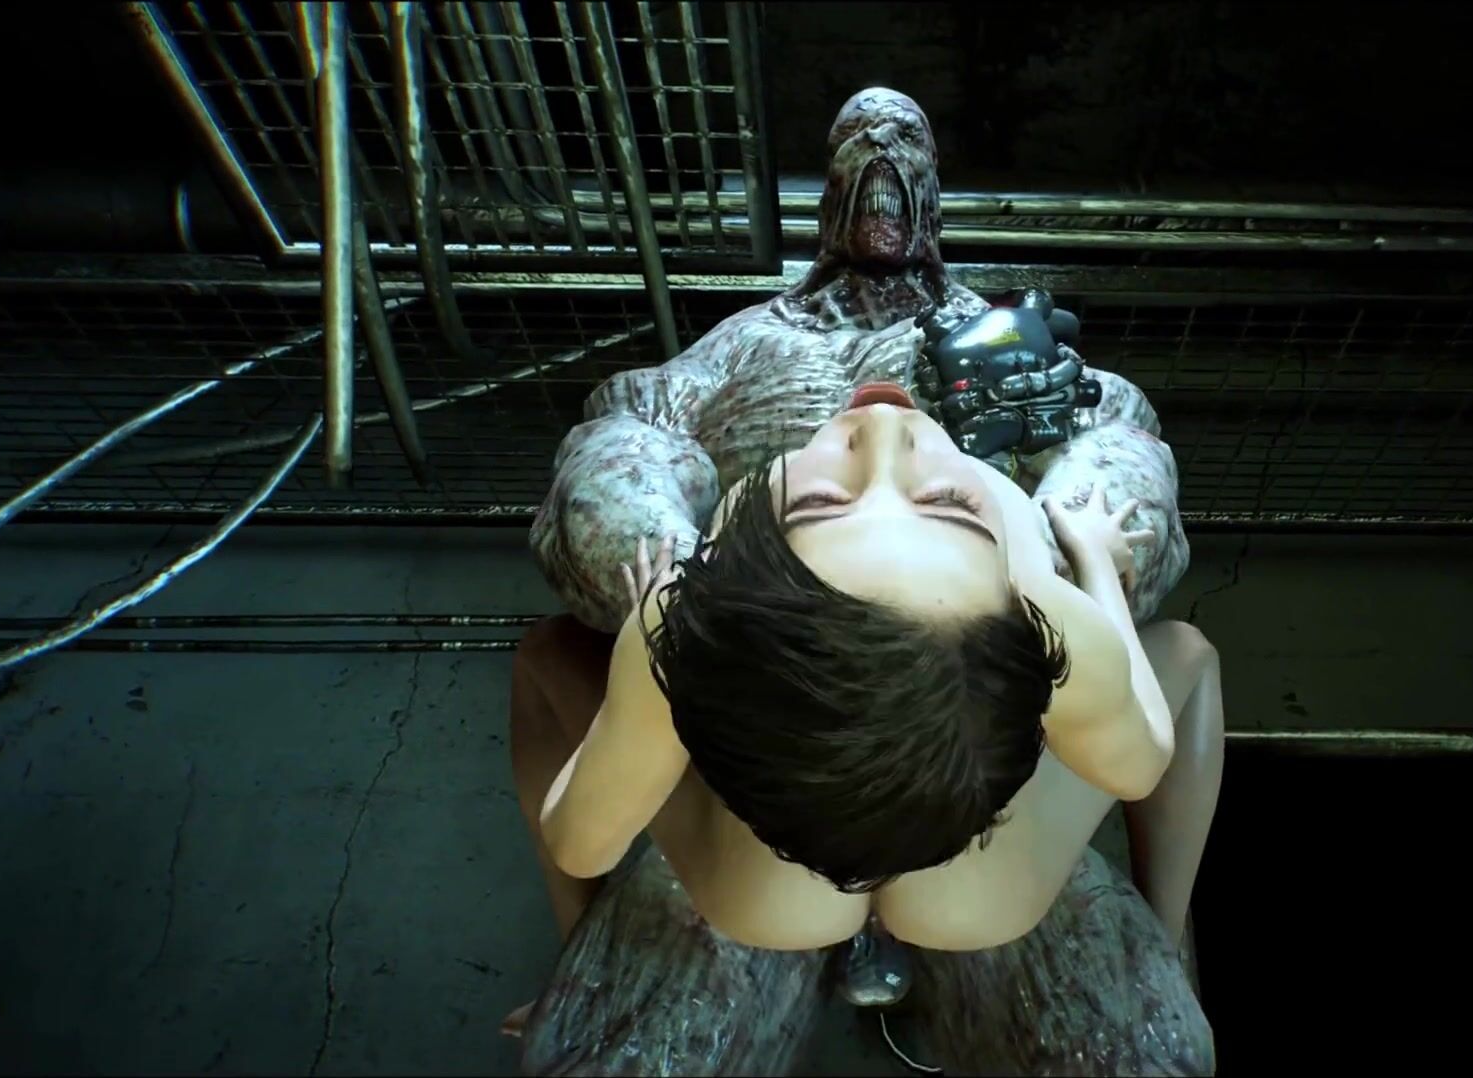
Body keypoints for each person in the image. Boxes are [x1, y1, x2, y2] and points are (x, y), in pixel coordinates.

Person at [508, 88, 1221, 1075]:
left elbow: (1112, 432)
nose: (884, 429)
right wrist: (1079, 555)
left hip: (795, 836)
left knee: (1133, 1054)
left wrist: (664, 612)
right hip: (936, 839)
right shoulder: (755, 344)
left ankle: (1157, 935)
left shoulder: (677, 640)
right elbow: (632, 428)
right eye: (947, 505)